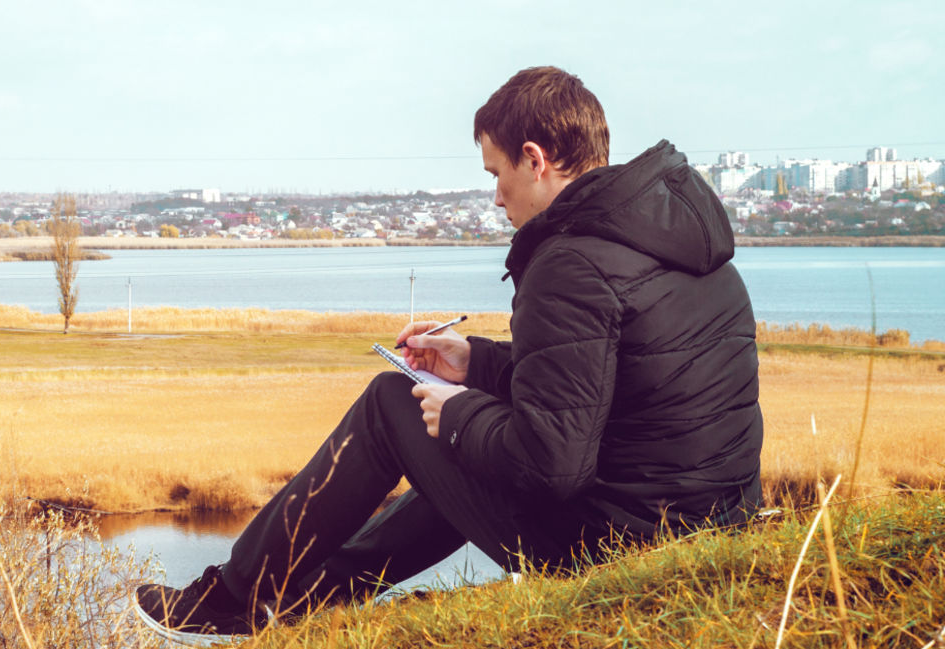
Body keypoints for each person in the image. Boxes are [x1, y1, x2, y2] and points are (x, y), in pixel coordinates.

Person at [132, 66, 763, 645]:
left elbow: (552, 465)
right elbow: (604, 383)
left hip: (615, 549)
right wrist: (474, 364)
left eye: (496, 174)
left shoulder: (569, 262)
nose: (495, 197)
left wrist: (458, 415)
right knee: (456, 444)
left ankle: (230, 598)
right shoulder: (680, 240)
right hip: (709, 528)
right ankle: (314, 597)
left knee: (390, 402)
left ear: (536, 160)